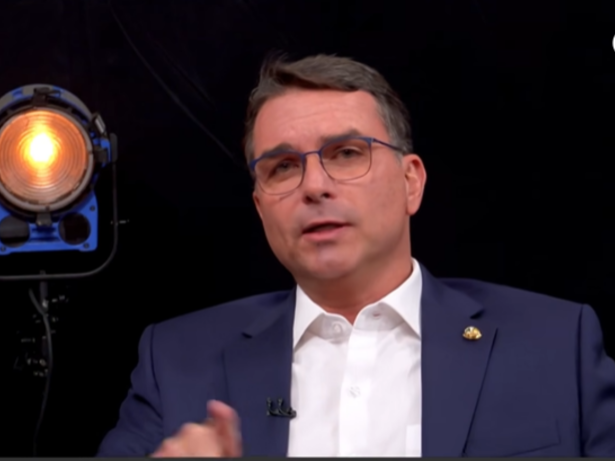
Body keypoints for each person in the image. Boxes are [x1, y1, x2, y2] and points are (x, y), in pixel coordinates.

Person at [97, 54, 615, 457]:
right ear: (259, 206)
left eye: (346, 154)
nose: (314, 186)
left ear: (411, 182)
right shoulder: (177, 361)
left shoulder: (555, 344)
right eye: (282, 167)